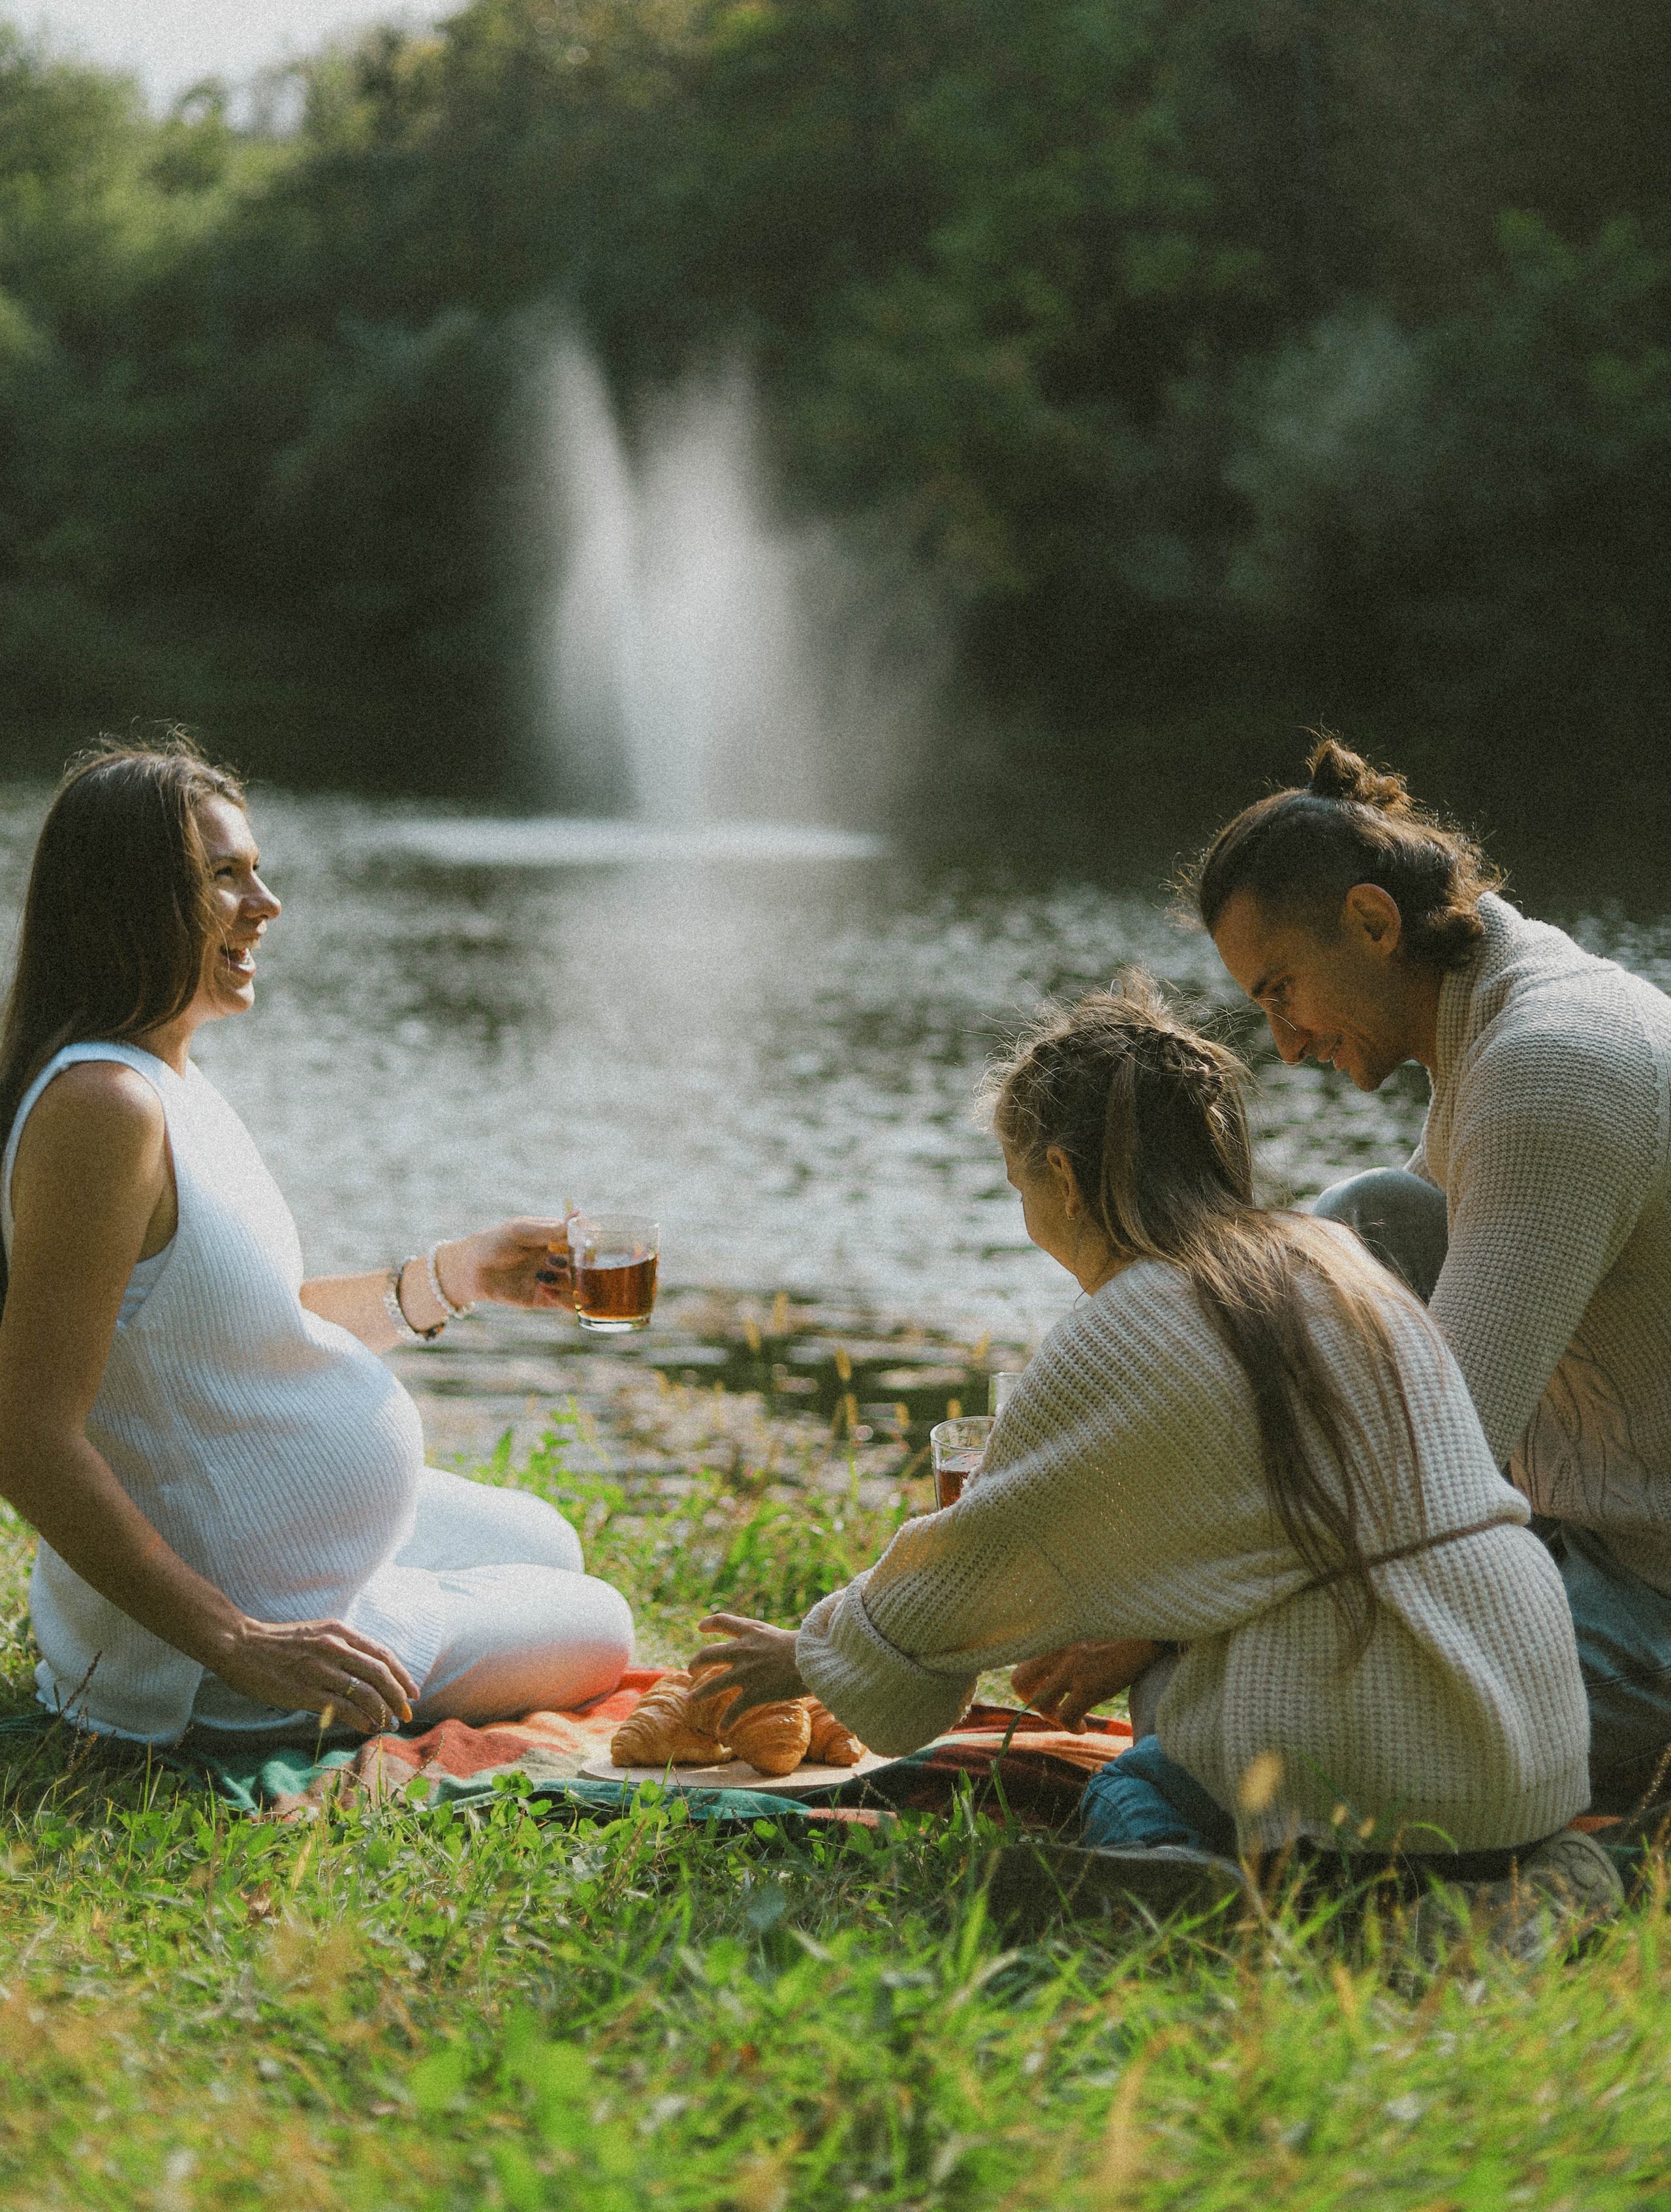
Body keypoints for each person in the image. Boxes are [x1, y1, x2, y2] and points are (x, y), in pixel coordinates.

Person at [692, 980, 1593, 1870]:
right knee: (1184, 1707)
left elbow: (972, 1563)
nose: (1029, 1218)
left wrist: (812, 1649)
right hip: (1535, 1740)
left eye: (1019, 1183)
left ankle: (1176, 1885)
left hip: (1386, 1759)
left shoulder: (1133, 1320)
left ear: (1065, 1178)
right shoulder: (1335, 1260)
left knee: (1131, 1785)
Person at [0, 740, 633, 1747]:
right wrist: (241, 1640)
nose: (267, 904)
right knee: (604, 1623)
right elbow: (26, 1436)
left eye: (254, 869)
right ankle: (302, 1651)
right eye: (223, 877)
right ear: (131, 902)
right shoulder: (102, 1107)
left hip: (287, 1549)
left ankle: (378, 1583)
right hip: (224, 1650)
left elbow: (237, 1327)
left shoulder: (162, 1077)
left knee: (548, 1543)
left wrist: (452, 1277)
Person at [1196, 739, 1671, 1815]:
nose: (1284, 1043)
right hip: (1584, 1532)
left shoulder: (1554, 1061)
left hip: (1656, 1598)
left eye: (1283, 992)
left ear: (1373, 922)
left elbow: (1425, 1467)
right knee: (1366, 1224)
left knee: (1263, 1735)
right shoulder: (1500, 1004)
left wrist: (1164, 1607)